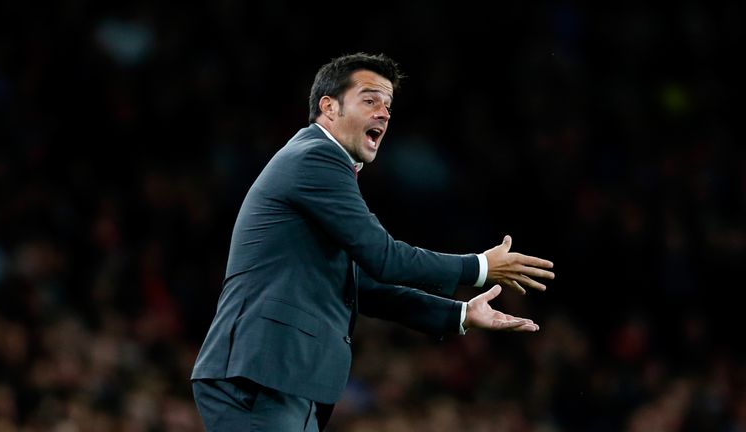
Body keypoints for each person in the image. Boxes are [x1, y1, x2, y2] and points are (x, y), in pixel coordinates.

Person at [190, 52, 555, 431]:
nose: (383, 112)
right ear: (328, 107)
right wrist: (478, 267)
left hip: (277, 376)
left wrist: (459, 313)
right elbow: (385, 258)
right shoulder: (315, 158)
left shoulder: (321, 168)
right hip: (260, 374)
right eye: (369, 99)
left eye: (388, 105)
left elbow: (363, 285)